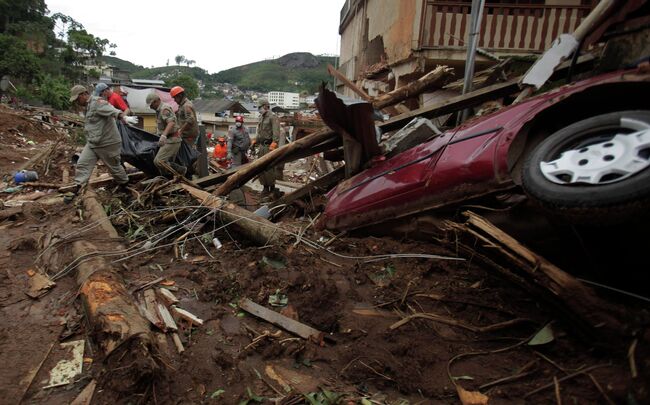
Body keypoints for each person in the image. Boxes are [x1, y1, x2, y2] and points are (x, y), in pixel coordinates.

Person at [70, 83, 134, 195]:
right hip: (93, 143)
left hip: (107, 143)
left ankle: (125, 186)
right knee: (82, 163)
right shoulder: (87, 107)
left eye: (77, 99)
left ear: (83, 94)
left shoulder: (97, 102)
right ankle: (78, 187)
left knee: (114, 168)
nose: (76, 102)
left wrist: (123, 117)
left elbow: (113, 110)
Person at [146, 92, 186, 176]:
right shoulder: (159, 110)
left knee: (159, 161)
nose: (150, 107)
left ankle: (181, 170)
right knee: (165, 162)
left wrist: (163, 136)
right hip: (168, 139)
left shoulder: (164, 109)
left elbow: (171, 123)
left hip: (172, 139)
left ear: (156, 101)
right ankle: (168, 177)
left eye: (151, 104)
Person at [256, 98, 281, 198]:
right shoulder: (261, 117)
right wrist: (256, 140)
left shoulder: (272, 117)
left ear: (266, 106)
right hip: (262, 146)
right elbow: (260, 132)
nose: (259, 109)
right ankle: (265, 187)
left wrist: (275, 142)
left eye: (260, 107)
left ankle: (272, 187)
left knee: (269, 168)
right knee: (261, 168)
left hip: (269, 146)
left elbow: (276, 131)